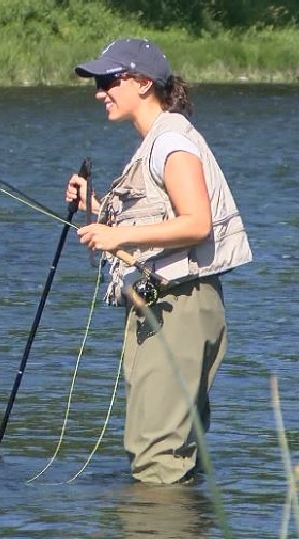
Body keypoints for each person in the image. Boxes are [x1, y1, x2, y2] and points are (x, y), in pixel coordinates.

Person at [65, 38, 252, 484]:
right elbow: (163, 217)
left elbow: (196, 224)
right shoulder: (161, 139)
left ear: (144, 83)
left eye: (109, 80)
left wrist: (117, 234)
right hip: (177, 305)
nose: (99, 92)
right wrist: (95, 207)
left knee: (157, 460)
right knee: (178, 454)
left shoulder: (171, 141)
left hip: (177, 309)